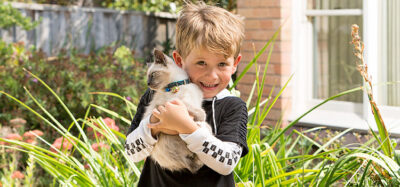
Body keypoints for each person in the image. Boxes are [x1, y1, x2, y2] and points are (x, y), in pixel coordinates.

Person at [125, 2, 248, 186]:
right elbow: (131, 152)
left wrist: (187, 127)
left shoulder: (231, 106)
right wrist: (154, 126)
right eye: (201, 63)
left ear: (235, 64)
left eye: (222, 64)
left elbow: (227, 163)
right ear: (179, 61)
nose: (212, 75)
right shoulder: (157, 95)